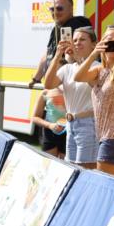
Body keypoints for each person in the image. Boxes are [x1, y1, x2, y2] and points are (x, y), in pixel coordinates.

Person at [43, 26, 99, 169]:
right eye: (74, 40)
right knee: (71, 168)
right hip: (71, 123)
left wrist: (79, 60)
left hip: (88, 123)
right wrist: (57, 55)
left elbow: (90, 82)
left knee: (85, 169)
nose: (77, 43)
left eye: (82, 39)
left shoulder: (98, 66)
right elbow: (48, 84)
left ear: (93, 44)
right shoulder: (67, 68)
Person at [74, 25, 114, 176]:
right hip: (103, 137)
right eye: (108, 40)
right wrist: (94, 54)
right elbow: (78, 77)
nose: (112, 44)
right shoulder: (99, 71)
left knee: (107, 187)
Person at [30, 0, 91, 86]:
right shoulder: (56, 28)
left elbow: (70, 55)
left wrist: (56, 81)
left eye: (59, 8)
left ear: (71, 9)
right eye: (52, 9)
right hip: (56, 83)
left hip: (70, 84)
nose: (55, 12)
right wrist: (36, 79)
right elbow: (48, 53)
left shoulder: (77, 26)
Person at [31, 88, 67, 158]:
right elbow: (35, 117)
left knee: (67, 165)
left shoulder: (71, 91)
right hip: (49, 133)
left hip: (68, 133)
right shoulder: (45, 93)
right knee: (48, 164)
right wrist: (50, 125)